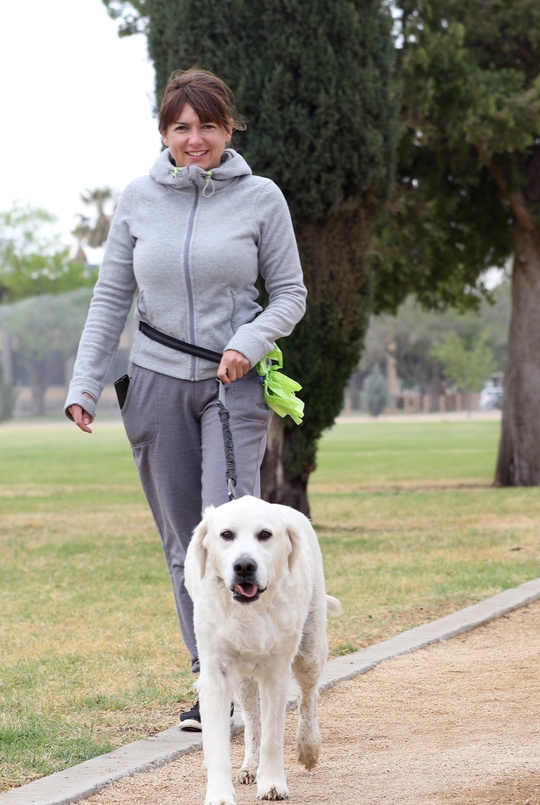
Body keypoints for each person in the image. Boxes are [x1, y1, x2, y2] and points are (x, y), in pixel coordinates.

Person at [65, 68, 307, 731]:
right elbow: (111, 296)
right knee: (185, 544)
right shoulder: (139, 200)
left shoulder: (261, 199)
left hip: (234, 390)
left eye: (206, 126)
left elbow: (290, 293)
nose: (193, 139)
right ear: (164, 133)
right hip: (155, 385)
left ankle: (254, 679)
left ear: (229, 128)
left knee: (236, 542)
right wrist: (85, 383)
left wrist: (249, 342)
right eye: (181, 127)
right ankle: (212, 679)